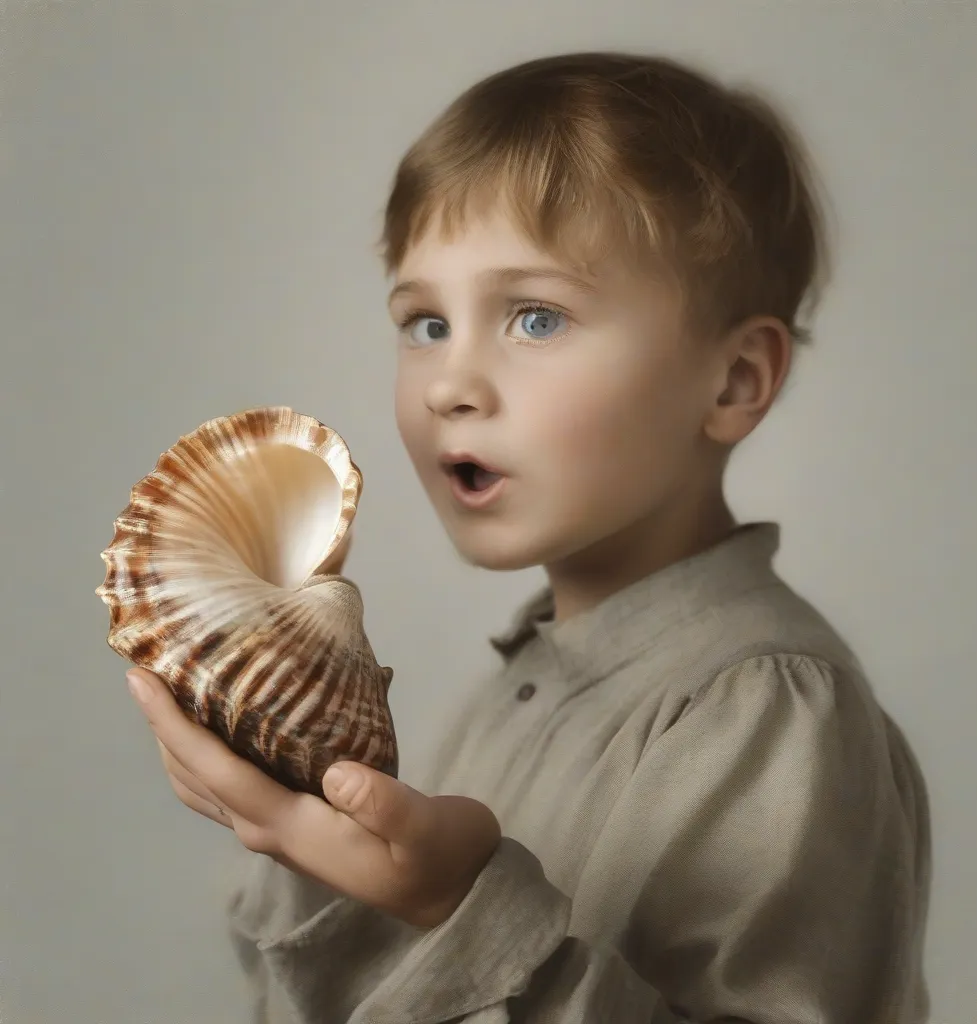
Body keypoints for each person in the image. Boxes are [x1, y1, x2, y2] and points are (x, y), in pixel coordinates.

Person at [125, 50, 933, 1023]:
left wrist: (454, 910)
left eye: (535, 316)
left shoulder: (769, 709)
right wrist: (305, 843)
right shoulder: (509, 693)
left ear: (730, 383)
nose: (449, 383)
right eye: (423, 322)